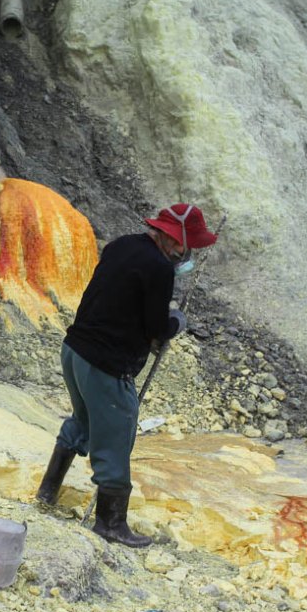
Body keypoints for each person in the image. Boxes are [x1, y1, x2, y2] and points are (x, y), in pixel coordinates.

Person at [35, 203, 218, 547]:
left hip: (75, 351)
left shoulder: (121, 245)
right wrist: (173, 323)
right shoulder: (159, 268)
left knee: (84, 421)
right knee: (117, 434)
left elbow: (117, 301)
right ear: (169, 236)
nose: (184, 252)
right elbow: (155, 326)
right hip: (106, 364)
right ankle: (110, 523)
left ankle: (47, 492)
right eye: (183, 244)